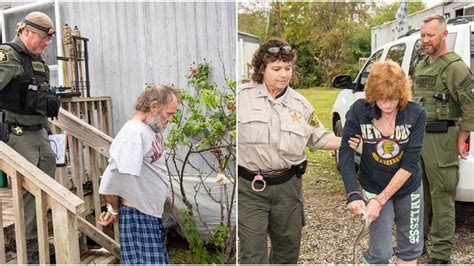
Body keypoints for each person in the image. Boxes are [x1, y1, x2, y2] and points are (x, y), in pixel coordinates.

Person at [237, 38, 342, 264]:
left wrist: (353, 140)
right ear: (262, 69)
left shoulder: (302, 105)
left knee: (287, 253)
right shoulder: (240, 98)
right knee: (252, 255)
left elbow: (321, 138)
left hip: (288, 189)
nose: (283, 74)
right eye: (276, 69)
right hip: (249, 190)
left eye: (288, 68)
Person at [339, 60, 427, 264]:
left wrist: (381, 200)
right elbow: (345, 151)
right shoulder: (360, 111)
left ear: (402, 94)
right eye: (381, 99)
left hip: (408, 187)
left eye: (393, 99)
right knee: (380, 252)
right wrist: (353, 193)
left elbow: (410, 163)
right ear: (372, 94)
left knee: (410, 248)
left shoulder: (416, 114)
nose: (387, 105)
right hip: (374, 185)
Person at [413, 15, 474, 264]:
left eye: (431, 35)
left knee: (442, 196)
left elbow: (470, 105)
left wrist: (463, 136)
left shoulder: (455, 67)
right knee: (419, 193)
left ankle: (440, 254)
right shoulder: (422, 64)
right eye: (423, 35)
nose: (425, 40)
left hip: (442, 138)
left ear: (444, 35)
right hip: (419, 138)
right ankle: (419, 243)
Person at [0, 11, 59, 263]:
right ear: (26, 32)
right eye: (43, 38)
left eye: (48, 39)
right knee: (28, 192)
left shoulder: (38, 61)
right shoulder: (8, 56)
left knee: (46, 189)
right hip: (18, 133)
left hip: (39, 131)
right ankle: (29, 246)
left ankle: (38, 239)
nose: (46, 43)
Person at [98, 85, 179, 264]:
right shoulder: (133, 134)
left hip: (148, 213)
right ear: (154, 107)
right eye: (169, 113)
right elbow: (112, 180)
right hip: (138, 216)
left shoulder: (148, 129)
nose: (170, 119)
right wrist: (114, 208)